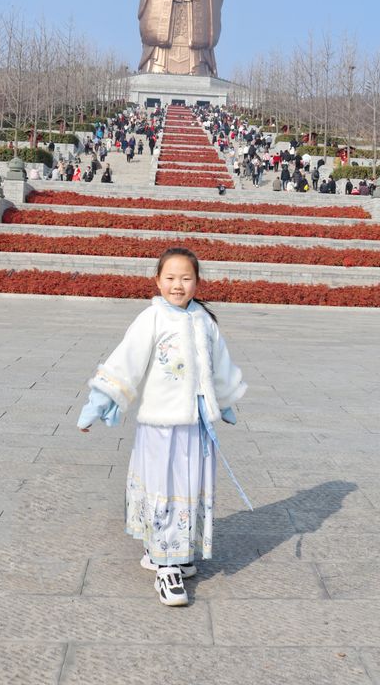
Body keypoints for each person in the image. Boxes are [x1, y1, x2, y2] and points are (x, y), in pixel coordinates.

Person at [76, 247, 247, 607]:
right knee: (165, 488)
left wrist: (225, 402)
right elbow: (126, 361)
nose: (178, 285)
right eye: (170, 278)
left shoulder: (205, 321)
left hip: (195, 427)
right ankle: (166, 567)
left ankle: (174, 552)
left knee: (188, 487)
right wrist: (100, 402)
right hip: (161, 426)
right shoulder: (151, 318)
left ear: (198, 283)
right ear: (157, 280)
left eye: (186, 278)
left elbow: (220, 367)